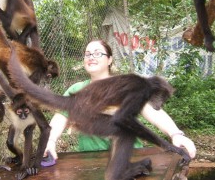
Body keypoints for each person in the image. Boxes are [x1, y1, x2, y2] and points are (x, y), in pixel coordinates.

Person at [43, 39, 196, 163]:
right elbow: (60, 118)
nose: (91, 57)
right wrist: (49, 141)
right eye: (87, 54)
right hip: (90, 159)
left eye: (97, 53)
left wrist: (176, 134)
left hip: (128, 159)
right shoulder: (77, 88)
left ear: (109, 60)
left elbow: (153, 112)